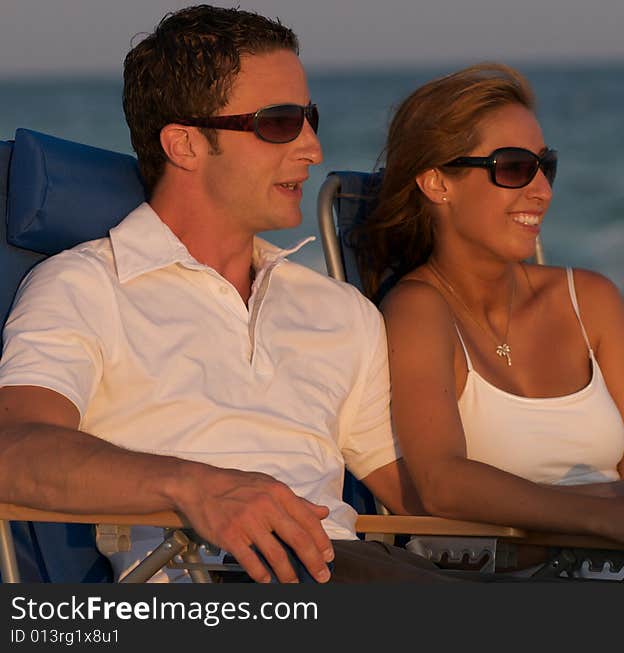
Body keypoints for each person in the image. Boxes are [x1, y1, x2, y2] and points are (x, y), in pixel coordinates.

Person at [0, 4, 460, 584]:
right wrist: (199, 486)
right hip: (209, 579)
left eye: (310, 118)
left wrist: (591, 505)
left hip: (347, 570)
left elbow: (427, 491)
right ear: (185, 144)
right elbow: (12, 448)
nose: (313, 149)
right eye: (278, 123)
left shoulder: (339, 312)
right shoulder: (86, 286)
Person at [357, 63, 624, 581]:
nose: (542, 190)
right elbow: (442, 483)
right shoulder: (419, 310)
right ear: (436, 182)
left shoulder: (591, 300)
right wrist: (609, 513)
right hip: (516, 572)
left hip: (623, 563)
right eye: (513, 167)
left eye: (545, 166)